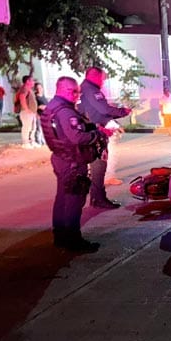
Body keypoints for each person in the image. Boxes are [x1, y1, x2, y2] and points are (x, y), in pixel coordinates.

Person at [41, 76, 108, 252]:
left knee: (62, 198)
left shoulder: (52, 107)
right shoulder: (66, 111)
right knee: (74, 200)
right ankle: (73, 239)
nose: (78, 95)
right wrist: (97, 136)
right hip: (72, 161)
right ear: (63, 89)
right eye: (74, 91)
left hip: (60, 157)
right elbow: (77, 137)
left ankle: (61, 236)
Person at [77, 67, 130, 209]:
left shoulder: (84, 89)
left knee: (96, 166)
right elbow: (103, 109)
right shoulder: (90, 89)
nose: (103, 81)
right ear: (94, 76)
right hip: (94, 131)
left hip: (89, 130)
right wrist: (122, 112)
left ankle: (96, 197)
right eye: (102, 78)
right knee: (99, 165)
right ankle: (97, 198)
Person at [15, 75, 38, 148]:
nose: (33, 82)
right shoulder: (24, 88)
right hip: (26, 112)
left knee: (33, 127)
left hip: (32, 112)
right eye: (32, 80)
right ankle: (25, 143)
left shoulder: (29, 89)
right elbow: (22, 98)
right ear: (28, 81)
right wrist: (26, 109)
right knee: (27, 127)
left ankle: (32, 141)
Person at [33, 81, 49, 145]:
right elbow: (34, 106)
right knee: (39, 129)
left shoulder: (43, 96)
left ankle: (43, 142)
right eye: (37, 88)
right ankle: (38, 142)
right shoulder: (35, 97)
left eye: (40, 87)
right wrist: (39, 107)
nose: (39, 89)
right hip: (39, 115)